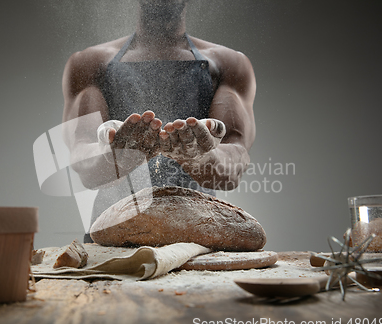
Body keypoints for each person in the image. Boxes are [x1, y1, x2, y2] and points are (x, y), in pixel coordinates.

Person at [62, 0, 256, 242]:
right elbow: (82, 157)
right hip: (112, 238)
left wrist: (206, 158)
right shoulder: (90, 63)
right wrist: (114, 157)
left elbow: (236, 159)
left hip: (197, 239)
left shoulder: (229, 64)